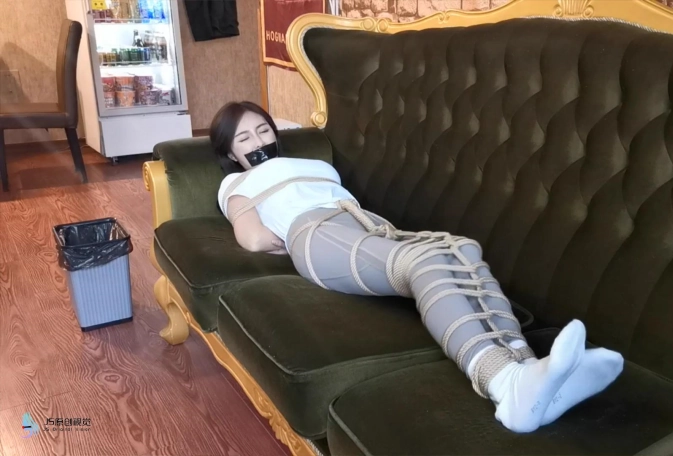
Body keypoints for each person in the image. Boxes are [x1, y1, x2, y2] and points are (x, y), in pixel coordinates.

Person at [211, 101, 624, 433]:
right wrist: (293, 238)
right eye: (244, 138)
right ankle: (502, 382)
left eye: (263, 130)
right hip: (316, 231)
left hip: (365, 224)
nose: (258, 141)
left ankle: (528, 371)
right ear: (231, 152)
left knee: (461, 249)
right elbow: (252, 237)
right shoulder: (236, 183)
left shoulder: (311, 164)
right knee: (421, 261)